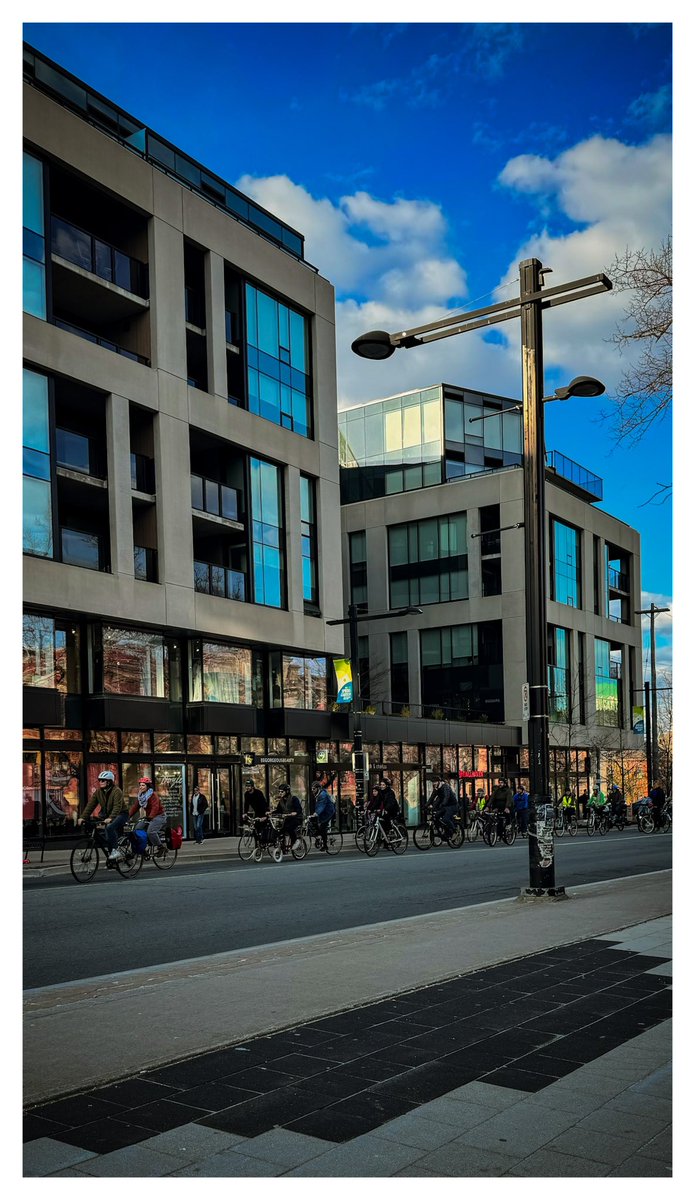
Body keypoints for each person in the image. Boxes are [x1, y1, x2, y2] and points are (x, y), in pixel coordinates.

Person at [78, 770, 129, 861]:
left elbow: (117, 807)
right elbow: (91, 805)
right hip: (108, 816)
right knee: (108, 837)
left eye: (103, 780)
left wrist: (110, 818)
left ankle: (115, 850)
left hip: (121, 814)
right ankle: (112, 861)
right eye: (99, 780)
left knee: (109, 828)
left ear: (109, 782)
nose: (100, 782)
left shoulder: (117, 791)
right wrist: (83, 817)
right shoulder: (98, 792)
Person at [128, 776, 167, 854]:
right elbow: (135, 807)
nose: (141, 787)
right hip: (149, 816)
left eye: (143, 785)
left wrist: (151, 817)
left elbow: (155, 807)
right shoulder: (141, 796)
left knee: (151, 832)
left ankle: (160, 847)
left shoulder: (153, 795)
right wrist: (128, 816)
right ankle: (144, 847)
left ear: (147, 786)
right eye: (140, 785)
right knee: (137, 829)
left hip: (159, 816)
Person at [275, 783, 303, 850]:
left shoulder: (294, 798)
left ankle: (296, 841)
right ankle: (282, 846)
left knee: (289, 828)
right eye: (279, 791)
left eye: (282, 791)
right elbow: (278, 810)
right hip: (287, 819)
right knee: (279, 828)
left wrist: (295, 812)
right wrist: (271, 813)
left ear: (287, 791)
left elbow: (299, 808)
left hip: (296, 818)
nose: (280, 793)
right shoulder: (281, 801)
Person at [243, 777, 270, 844]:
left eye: (249, 786)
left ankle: (264, 842)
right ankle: (257, 845)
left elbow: (263, 803)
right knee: (255, 828)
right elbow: (246, 804)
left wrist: (265, 813)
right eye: (246, 786)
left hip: (263, 811)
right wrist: (245, 813)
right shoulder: (246, 794)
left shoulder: (258, 793)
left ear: (252, 786)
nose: (247, 788)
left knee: (262, 827)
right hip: (257, 812)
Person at [312, 781, 336, 849]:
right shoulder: (318, 794)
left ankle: (325, 845)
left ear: (318, 788)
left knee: (323, 827)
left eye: (314, 789)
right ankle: (319, 837)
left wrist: (316, 813)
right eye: (312, 789)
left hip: (328, 812)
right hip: (323, 812)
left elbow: (321, 806)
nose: (312, 790)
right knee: (315, 823)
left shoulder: (323, 795)